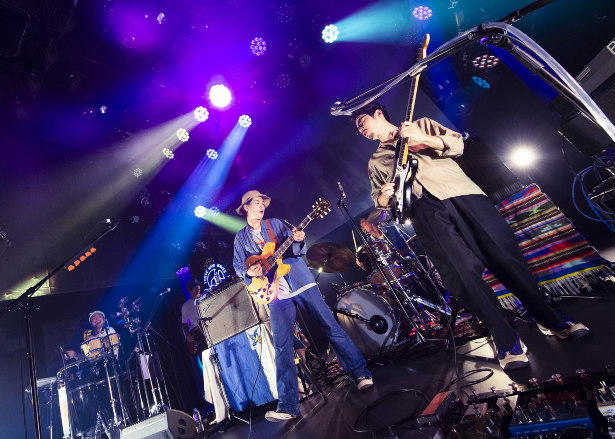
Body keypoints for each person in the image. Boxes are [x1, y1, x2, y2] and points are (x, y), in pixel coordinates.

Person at [352, 102, 589, 370]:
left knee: (504, 257)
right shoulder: (376, 161)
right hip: (424, 212)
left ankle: (550, 319)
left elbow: (458, 145)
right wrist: (384, 197)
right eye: (358, 127)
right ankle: (506, 338)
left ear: (378, 113)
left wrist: (423, 139)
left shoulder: (421, 125)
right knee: (461, 275)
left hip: (463, 194)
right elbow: (381, 201)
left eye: (362, 122)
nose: (360, 129)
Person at [233, 190, 373, 422]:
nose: (261, 206)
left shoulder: (275, 224)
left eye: (263, 202)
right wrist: (249, 272)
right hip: (275, 295)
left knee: (330, 327)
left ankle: (360, 374)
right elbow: (239, 266)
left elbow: (298, 250)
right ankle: (288, 406)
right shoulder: (241, 238)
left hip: (301, 282)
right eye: (256, 202)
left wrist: (299, 239)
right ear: (246, 207)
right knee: (282, 347)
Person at [181, 278, 207, 356]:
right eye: (195, 286)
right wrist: (187, 335)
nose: (198, 287)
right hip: (198, 335)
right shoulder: (185, 306)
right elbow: (184, 324)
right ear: (189, 290)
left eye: (198, 285)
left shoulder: (206, 297)